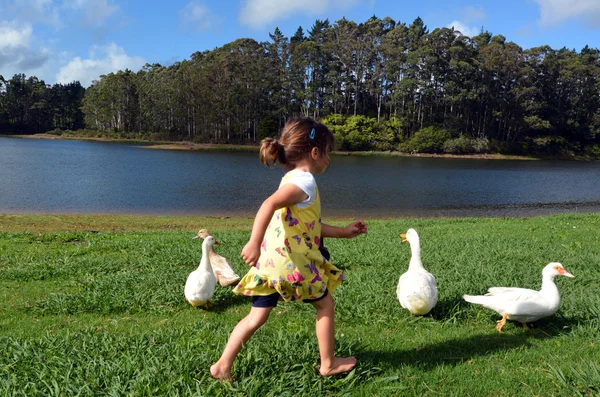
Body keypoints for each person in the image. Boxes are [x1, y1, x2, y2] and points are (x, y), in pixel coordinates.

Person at [210, 117, 367, 381]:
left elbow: (308, 226)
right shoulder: (305, 182)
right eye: (329, 152)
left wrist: (343, 232)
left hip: (271, 264)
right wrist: (252, 241)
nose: (330, 158)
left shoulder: (290, 179)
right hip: (292, 265)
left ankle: (222, 366)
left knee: (255, 318)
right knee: (325, 306)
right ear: (315, 152)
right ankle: (328, 363)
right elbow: (268, 204)